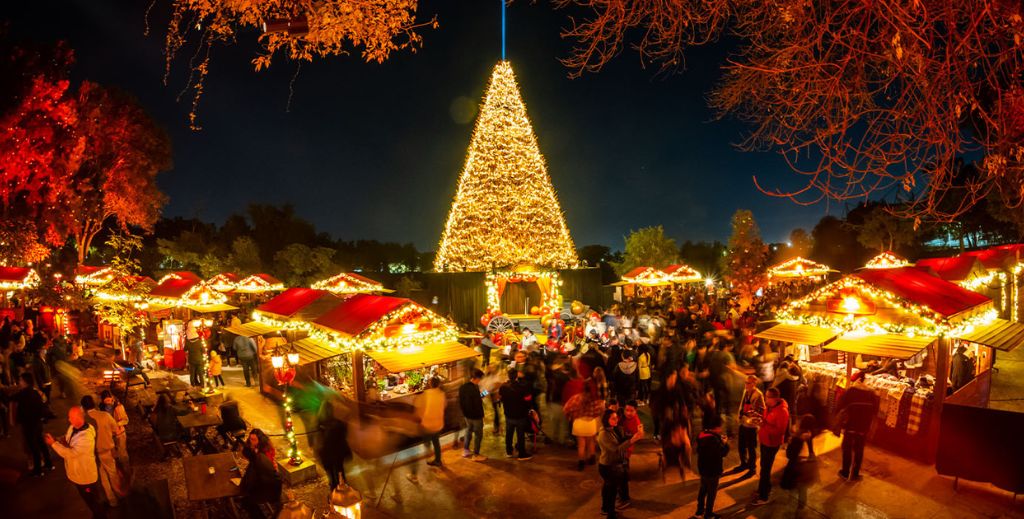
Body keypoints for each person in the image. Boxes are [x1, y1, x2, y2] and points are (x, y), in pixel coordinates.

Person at [46, 406, 105, 518]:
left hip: (85, 478)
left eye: (70, 417)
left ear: (79, 418)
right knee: (90, 501)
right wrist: (59, 439)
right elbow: (68, 438)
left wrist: (53, 443)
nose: (68, 419)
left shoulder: (86, 437)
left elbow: (70, 454)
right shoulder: (73, 427)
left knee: (93, 502)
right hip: (78, 475)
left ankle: (101, 516)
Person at [596, 409, 643, 518]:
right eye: (613, 418)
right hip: (608, 466)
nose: (616, 420)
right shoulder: (603, 434)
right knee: (611, 491)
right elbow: (616, 449)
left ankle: (606, 509)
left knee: (608, 488)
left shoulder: (613, 429)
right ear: (606, 420)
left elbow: (622, 439)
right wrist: (632, 440)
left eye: (616, 417)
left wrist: (636, 435)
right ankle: (610, 514)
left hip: (613, 464)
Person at [836, 370, 880, 481]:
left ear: (857, 380)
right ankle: (855, 474)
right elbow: (876, 411)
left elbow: (840, 405)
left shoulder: (851, 391)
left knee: (847, 448)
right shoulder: (871, 393)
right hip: (863, 427)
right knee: (859, 450)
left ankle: (845, 472)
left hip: (850, 425)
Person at [82, 395, 125, 507]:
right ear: (94, 404)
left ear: (83, 407)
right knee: (113, 474)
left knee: (103, 477)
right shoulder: (105, 416)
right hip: (107, 450)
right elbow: (115, 429)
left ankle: (112, 500)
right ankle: (120, 495)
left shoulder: (84, 420)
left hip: (94, 454)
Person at [751, 387, 789, 506]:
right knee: (763, 465)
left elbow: (780, 431)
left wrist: (764, 425)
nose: (765, 399)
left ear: (775, 398)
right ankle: (765, 487)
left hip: (772, 443)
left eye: (768, 397)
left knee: (765, 470)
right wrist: (760, 419)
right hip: (764, 440)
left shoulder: (782, 412)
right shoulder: (770, 407)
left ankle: (763, 496)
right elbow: (767, 421)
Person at [11, 372, 53, 476]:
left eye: (20, 380)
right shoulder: (35, 392)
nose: (19, 382)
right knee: (41, 444)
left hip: (29, 425)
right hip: (38, 423)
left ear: (25, 381)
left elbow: (10, 398)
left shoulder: (23, 393)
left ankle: (38, 470)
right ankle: (49, 464)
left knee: (34, 447)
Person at [241, 429, 283, 518]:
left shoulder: (265, 454)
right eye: (250, 439)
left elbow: (265, 470)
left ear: (260, 440)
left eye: (254, 439)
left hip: (268, 483)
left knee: (247, 500)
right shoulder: (255, 451)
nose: (251, 441)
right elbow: (245, 453)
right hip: (263, 476)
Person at [781, 415, 819, 510]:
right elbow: (811, 452)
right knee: (802, 488)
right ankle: (801, 505)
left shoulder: (797, 437)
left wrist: (789, 443)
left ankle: (792, 504)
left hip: (796, 466)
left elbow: (790, 455)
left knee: (793, 485)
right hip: (805, 467)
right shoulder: (809, 435)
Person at [564, 382, 604, 470]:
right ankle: (592, 458)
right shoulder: (596, 399)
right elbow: (601, 410)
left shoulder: (576, 398)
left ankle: (581, 463)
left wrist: (570, 417)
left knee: (581, 445)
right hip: (590, 423)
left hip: (578, 423)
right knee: (591, 442)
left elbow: (566, 409)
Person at [695, 414, 729, 519]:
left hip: (703, 469)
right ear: (717, 427)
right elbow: (722, 453)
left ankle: (699, 511)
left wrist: (719, 440)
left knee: (703, 490)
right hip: (713, 471)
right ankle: (708, 514)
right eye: (720, 427)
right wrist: (725, 443)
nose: (721, 429)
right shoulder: (714, 440)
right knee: (711, 493)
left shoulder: (701, 435)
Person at [413, 376, 446, 474]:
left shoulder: (426, 394)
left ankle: (429, 455)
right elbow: (444, 406)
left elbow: (418, 408)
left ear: (430, 384)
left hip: (427, 424)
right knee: (436, 442)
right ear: (439, 384)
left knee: (427, 441)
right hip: (438, 424)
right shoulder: (442, 394)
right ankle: (438, 460)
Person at [499, 369, 533, 460]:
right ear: (517, 376)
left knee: (509, 433)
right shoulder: (522, 387)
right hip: (520, 415)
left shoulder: (503, 387)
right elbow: (528, 399)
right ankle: (521, 454)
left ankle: (509, 451)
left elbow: (501, 398)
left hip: (508, 414)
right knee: (520, 435)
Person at [735, 375, 765, 477]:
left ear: (754, 384)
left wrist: (752, 417)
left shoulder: (758, 395)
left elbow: (761, 410)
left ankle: (752, 468)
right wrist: (739, 415)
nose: (746, 385)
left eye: (748, 383)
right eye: (745, 382)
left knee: (751, 448)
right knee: (741, 446)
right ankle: (744, 463)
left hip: (751, 426)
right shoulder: (745, 391)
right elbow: (742, 404)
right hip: (743, 422)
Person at [459, 369, 486, 461]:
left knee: (468, 431)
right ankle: (476, 455)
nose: (480, 380)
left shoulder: (463, 387)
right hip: (476, 416)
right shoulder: (474, 388)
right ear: (477, 378)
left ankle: (466, 450)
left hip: (467, 416)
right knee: (478, 435)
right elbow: (478, 402)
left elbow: (462, 401)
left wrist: (485, 393)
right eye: (480, 379)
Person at [98, 390, 130, 470]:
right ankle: (119, 470)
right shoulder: (102, 408)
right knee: (114, 453)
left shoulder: (118, 407)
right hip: (110, 435)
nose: (108, 402)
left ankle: (127, 469)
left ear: (112, 398)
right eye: (106, 400)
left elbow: (126, 420)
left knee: (122, 453)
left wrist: (116, 424)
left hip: (120, 434)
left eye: (109, 399)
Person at [185, 323, 205, 387]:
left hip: (191, 360)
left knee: (192, 374)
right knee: (200, 373)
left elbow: (184, 349)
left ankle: (193, 384)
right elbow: (203, 350)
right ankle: (202, 384)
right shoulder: (199, 342)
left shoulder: (188, 343)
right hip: (199, 359)